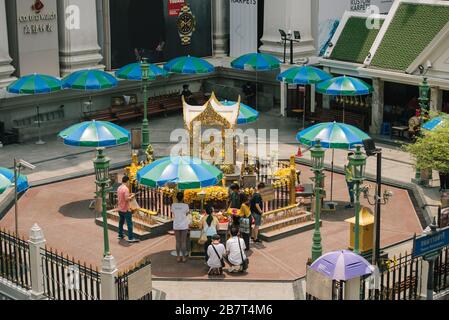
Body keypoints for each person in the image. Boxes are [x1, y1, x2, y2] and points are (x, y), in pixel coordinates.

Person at [117, 176, 139, 243]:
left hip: (120, 208)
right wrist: (132, 196)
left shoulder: (119, 188)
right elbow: (127, 199)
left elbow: (122, 196)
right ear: (127, 181)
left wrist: (129, 194)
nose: (129, 183)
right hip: (126, 209)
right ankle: (130, 238)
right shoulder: (126, 189)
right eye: (129, 181)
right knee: (129, 224)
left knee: (121, 222)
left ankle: (120, 234)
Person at [171, 192, 190, 263]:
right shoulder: (186, 205)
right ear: (183, 198)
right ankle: (184, 257)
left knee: (178, 241)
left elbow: (173, 213)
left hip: (176, 224)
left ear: (176, 198)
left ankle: (178, 257)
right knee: (183, 242)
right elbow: (187, 213)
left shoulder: (173, 205)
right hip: (184, 225)